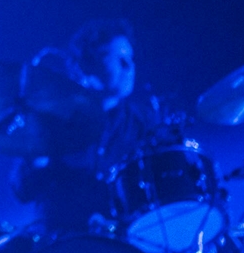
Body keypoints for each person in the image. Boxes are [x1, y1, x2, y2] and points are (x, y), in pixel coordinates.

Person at [11, 19, 163, 236]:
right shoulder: (54, 118)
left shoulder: (144, 122)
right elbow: (22, 191)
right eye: (117, 58)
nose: (129, 66)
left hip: (126, 247)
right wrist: (37, 160)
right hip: (63, 244)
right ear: (86, 64)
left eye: (130, 58)